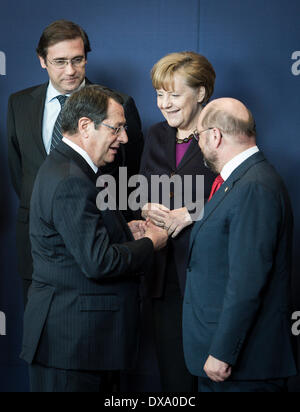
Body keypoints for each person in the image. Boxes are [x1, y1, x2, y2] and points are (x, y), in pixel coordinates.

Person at [20, 85, 168, 393]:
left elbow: (80, 241)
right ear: (85, 126)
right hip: (73, 347)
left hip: (83, 346)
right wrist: (151, 242)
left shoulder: (73, 170)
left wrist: (129, 232)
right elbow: (98, 262)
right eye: (117, 128)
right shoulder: (71, 179)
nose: (125, 138)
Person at [7, 20, 144, 303]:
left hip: (99, 245)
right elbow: (20, 173)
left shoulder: (119, 104)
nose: (70, 71)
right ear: (41, 60)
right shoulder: (18, 104)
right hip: (38, 247)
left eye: (78, 60)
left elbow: (127, 180)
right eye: (59, 61)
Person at [183, 98, 298, 392]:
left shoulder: (255, 186)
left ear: (215, 136)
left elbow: (247, 279)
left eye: (198, 136)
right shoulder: (240, 181)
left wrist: (222, 351)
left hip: (241, 367)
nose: (198, 145)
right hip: (227, 364)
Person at [139, 52, 216, 391]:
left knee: (212, 374)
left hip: (206, 275)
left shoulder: (220, 133)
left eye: (174, 94)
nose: (164, 104)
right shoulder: (155, 134)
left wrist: (189, 213)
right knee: (174, 378)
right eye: (159, 94)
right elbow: (139, 191)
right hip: (163, 277)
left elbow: (239, 196)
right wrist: (146, 208)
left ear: (200, 93)